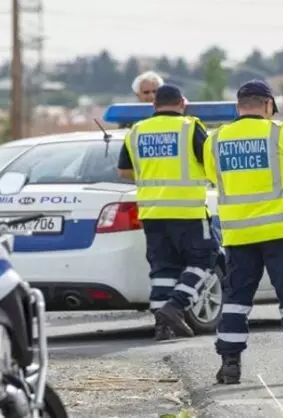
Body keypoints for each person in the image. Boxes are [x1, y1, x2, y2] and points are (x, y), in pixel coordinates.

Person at [202, 79, 283, 385]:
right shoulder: (281, 132)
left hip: (239, 234)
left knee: (236, 299)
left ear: (239, 106)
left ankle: (229, 366)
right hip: (281, 231)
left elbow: (213, 177)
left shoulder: (216, 139)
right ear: (268, 105)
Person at [118, 84, 219, 341]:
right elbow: (210, 163)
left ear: (154, 106)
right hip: (188, 211)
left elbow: (125, 172)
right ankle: (176, 306)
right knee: (205, 258)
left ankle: (162, 326)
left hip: (152, 212)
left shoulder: (136, 131)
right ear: (182, 103)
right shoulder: (189, 127)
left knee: (163, 268)